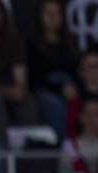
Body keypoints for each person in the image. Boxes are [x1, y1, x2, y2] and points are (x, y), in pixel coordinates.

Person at [26, 0, 77, 139]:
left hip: (69, 87)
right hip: (44, 90)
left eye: (57, 13)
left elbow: (76, 72)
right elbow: (34, 79)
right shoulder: (31, 45)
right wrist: (60, 88)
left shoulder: (70, 44)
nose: (53, 17)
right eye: (49, 13)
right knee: (55, 105)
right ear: (40, 17)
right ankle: (66, 147)